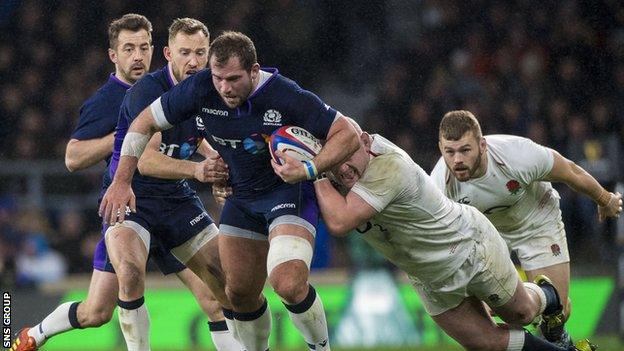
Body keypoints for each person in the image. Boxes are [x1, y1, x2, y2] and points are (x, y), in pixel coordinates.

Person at [100, 31, 360, 351]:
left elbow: (347, 133)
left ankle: (321, 348)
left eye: (234, 79)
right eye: (219, 78)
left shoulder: (284, 95)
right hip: (242, 200)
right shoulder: (200, 88)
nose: (224, 88)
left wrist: (309, 169)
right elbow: (142, 124)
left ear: (254, 71)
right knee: (237, 295)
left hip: (287, 195)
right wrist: (122, 181)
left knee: (288, 283)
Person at [11, 15, 238, 351]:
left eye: (143, 47)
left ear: (156, 50)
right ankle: (36, 333)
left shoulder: (177, 89)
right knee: (98, 310)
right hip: (131, 204)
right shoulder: (109, 100)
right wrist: (126, 133)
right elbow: (73, 158)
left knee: (217, 295)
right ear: (113, 55)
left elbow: (194, 132)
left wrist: (216, 161)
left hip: (175, 202)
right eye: (129, 48)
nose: (138, 56)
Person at [309, 118, 597, 351]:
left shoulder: (387, 164)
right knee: (487, 344)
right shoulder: (338, 181)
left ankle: (548, 296)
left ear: (365, 141)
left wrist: (314, 171)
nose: (344, 168)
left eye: (348, 156)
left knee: (520, 315)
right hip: (427, 275)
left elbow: (339, 221)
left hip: (467, 248)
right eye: (336, 162)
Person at [430, 110, 622, 347]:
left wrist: (604, 199)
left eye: (465, 150)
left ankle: (558, 336)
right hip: (488, 235)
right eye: (450, 152)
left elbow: (569, 171)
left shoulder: (517, 155)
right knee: (494, 314)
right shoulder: (438, 185)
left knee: (558, 313)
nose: (457, 159)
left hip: (536, 221)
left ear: (482, 145)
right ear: (441, 148)